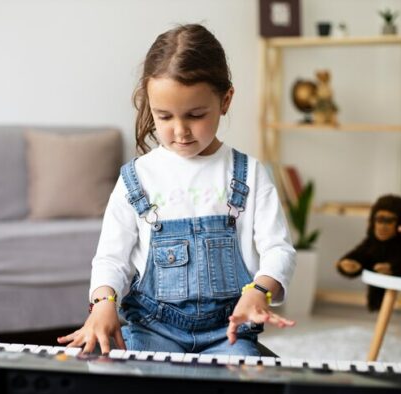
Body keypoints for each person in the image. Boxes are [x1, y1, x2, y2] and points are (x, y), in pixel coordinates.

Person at [58, 24, 296, 356]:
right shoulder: (137, 177)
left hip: (228, 333)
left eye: (196, 115)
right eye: (164, 116)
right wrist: (103, 302)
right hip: (152, 330)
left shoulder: (250, 174)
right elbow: (112, 257)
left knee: (249, 378)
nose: (180, 131)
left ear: (225, 100)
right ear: (148, 103)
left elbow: (279, 250)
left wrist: (260, 290)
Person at [336, 194, 401, 311]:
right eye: (379, 220)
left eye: (389, 221)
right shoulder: (372, 242)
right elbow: (360, 255)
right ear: (373, 220)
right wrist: (347, 264)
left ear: (400, 223)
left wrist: (393, 268)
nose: (382, 226)